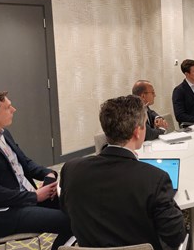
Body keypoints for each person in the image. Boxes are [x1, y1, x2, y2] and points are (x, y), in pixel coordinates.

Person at [60, 95, 186, 250]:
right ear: (137, 132)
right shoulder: (155, 179)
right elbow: (176, 234)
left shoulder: (71, 169)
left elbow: (67, 211)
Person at [0, 91, 72, 250]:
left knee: (78, 208)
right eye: (7, 107)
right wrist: (34, 196)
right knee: (71, 221)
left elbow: (25, 163)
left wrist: (47, 173)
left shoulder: (4, 134)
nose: (14, 109)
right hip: (4, 212)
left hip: (24, 198)